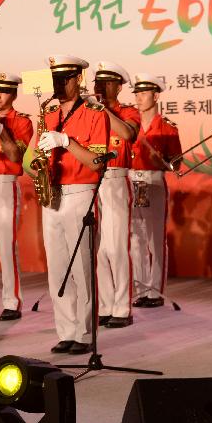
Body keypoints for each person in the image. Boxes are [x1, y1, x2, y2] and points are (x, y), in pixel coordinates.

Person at [37, 55, 109, 355]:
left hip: (81, 191)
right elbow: (34, 159)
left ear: (78, 79)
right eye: (55, 79)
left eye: (64, 79)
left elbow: (96, 163)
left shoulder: (95, 113)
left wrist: (65, 141)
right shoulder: (49, 113)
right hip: (52, 193)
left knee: (81, 267)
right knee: (57, 268)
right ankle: (65, 330)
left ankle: (84, 332)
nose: (59, 84)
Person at [87, 62, 139, 328]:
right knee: (98, 249)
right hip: (89, 180)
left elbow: (127, 133)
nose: (99, 87)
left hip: (116, 179)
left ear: (118, 86)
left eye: (106, 83)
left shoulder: (128, 111)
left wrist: (102, 109)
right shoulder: (87, 112)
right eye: (98, 82)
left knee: (116, 246)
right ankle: (106, 305)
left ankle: (122, 307)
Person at [0, 72, 33, 321]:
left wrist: (0, 130)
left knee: (5, 246)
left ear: (12, 95)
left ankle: (12, 301)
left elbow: (15, 156)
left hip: (4, 184)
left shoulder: (21, 122)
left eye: (2, 92)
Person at [128, 73, 181, 308]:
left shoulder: (166, 127)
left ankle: (156, 291)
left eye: (143, 93)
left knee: (154, 238)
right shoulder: (130, 125)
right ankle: (140, 288)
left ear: (155, 95)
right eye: (136, 94)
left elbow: (176, 164)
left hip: (154, 181)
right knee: (135, 237)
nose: (138, 98)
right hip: (132, 181)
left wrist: (161, 161)